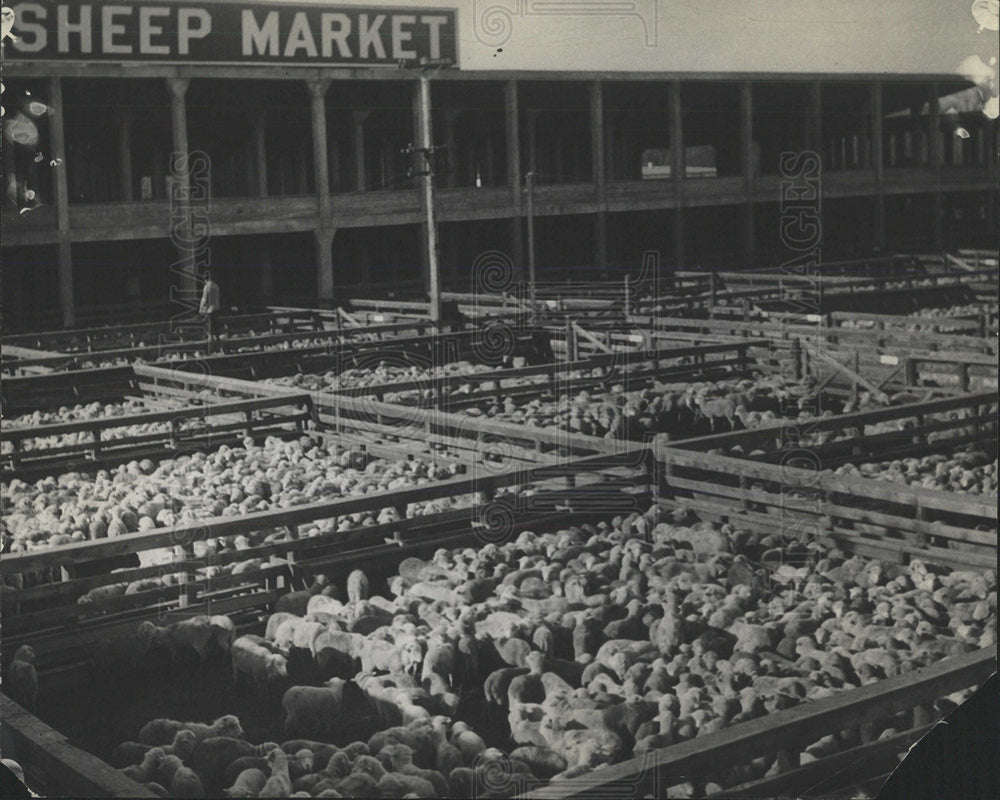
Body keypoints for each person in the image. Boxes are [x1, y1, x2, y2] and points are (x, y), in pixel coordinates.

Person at [199, 269, 221, 353]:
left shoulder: (207, 287)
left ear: (205, 279)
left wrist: (201, 308)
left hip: (210, 310)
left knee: (210, 331)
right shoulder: (216, 286)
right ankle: (219, 348)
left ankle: (210, 350)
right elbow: (218, 297)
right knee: (217, 331)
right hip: (217, 309)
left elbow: (204, 299)